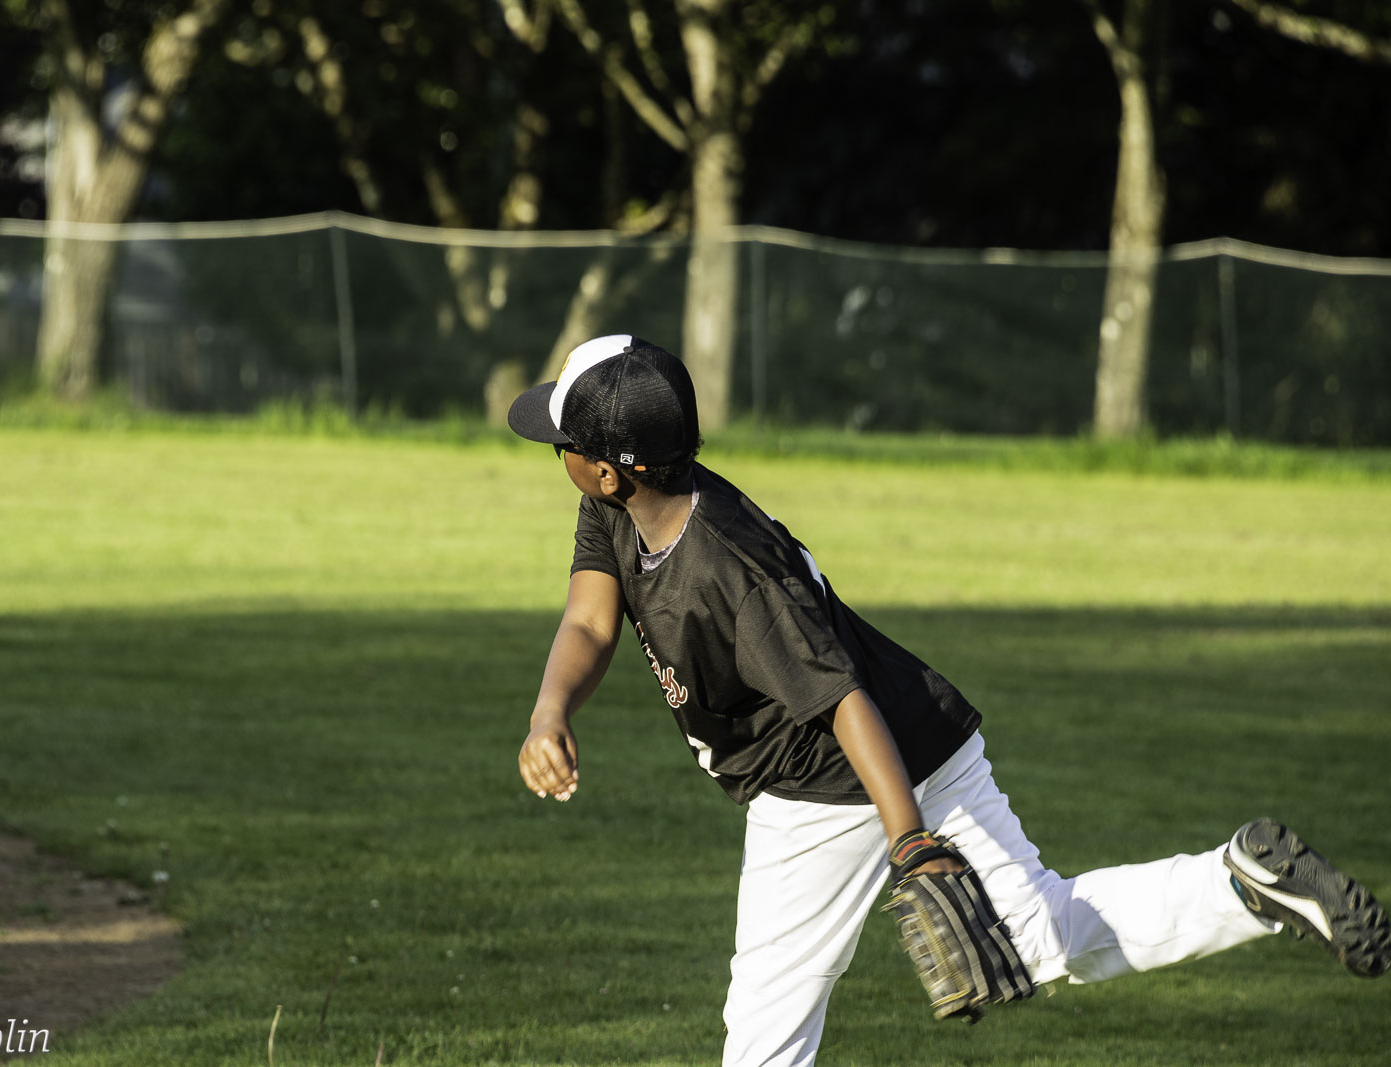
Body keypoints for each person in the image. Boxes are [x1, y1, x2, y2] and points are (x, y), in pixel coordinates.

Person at [507, 334, 1391, 1067]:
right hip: (922, 732)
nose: (559, 454)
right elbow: (590, 618)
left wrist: (910, 841)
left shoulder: (731, 573)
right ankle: (1240, 883)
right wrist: (552, 712)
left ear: (610, 470)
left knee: (766, 1027)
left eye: (563, 444)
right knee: (1040, 937)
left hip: (829, 781)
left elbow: (840, 699)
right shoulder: (632, 502)